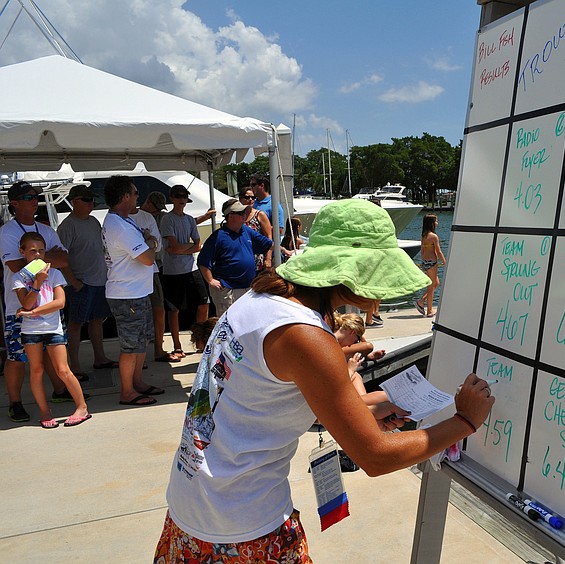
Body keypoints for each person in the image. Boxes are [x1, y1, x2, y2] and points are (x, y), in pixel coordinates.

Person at [155, 199, 494, 561]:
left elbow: (258, 398)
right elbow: (375, 458)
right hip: (242, 527)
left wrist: (360, 415)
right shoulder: (307, 335)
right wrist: (464, 421)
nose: (379, 291)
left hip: (190, 506)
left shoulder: (261, 296)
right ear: (348, 269)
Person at [1, 181, 72, 423]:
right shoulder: (8, 231)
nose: (34, 200)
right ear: (14, 203)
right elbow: (14, 265)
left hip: (49, 306)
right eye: (28, 196)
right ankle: (15, 402)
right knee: (17, 357)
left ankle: (60, 391)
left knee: (52, 354)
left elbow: (63, 260)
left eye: (35, 196)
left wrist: (33, 261)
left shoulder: (46, 229)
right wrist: (47, 260)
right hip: (19, 307)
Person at [13, 232, 91, 428]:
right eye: (32, 251)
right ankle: (45, 411)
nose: (38, 255)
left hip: (53, 328)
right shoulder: (19, 278)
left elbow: (60, 303)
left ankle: (82, 407)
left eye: (41, 250)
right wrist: (38, 282)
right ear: (22, 252)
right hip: (31, 332)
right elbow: (27, 303)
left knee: (63, 370)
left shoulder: (55, 273)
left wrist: (31, 312)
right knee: (37, 370)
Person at [102, 175, 163, 406]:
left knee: (139, 342)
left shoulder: (122, 221)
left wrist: (149, 241)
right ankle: (127, 391)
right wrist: (151, 242)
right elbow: (148, 258)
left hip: (135, 292)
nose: (138, 197)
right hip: (127, 294)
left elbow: (146, 248)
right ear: (125, 196)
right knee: (130, 346)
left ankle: (136, 383)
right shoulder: (119, 225)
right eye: (136, 193)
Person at [57, 184, 118, 379]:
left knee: (97, 320)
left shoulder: (93, 221)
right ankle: (74, 366)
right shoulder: (67, 226)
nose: (91, 203)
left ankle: (99, 357)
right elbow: (61, 259)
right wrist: (74, 282)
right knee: (76, 324)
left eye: (92, 200)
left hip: (99, 281)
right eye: (86, 200)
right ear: (74, 202)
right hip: (81, 282)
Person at [197, 198, 272, 315]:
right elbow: (203, 261)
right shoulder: (218, 237)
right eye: (240, 213)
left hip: (248, 288)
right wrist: (211, 280)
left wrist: (278, 252)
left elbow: (268, 244)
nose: (244, 215)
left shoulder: (246, 231)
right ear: (230, 216)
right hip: (227, 290)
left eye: (244, 212)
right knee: (229, 324)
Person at [159, 184, 209, 357]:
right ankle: (177, 345)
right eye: (178, 196)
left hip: (191, 268)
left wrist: (184, 249)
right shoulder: (167, 219)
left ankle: (200, 341)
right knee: (174, 309)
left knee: (204, 304)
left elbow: (197, 244)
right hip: (173, 272)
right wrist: (191, 248)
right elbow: (173, 246)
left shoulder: (189, 219)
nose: (182, 200)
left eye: (184, 196)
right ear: (172, 198)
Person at [137, 192, 180, 363]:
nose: (156, 212)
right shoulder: (126, 219)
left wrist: (150, 240)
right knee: (139, 314)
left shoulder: (155, 217)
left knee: (159, 308)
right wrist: (149, 240)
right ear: (147, 202)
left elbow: (157, 245)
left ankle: (158, 349)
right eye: (155, 208)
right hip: (136, 270)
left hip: (154, 267)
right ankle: (139, 357)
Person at [333, 312, 387, 406]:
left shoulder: (329, 337)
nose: (355, 343)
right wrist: (350, 370)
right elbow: (333, 388)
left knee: (356, 376)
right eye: (356, 340)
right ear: (353, 332)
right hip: (324, 398)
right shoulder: (330, 344)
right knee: (385, 396)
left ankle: (367, 406)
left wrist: (366, 357)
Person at [415, 213, 446, 318]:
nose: (437, 223)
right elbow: (439, 251)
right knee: (432, 286)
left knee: (435, 283)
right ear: (432, 223)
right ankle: (429, 310)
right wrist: (445, 262)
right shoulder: (434, 236)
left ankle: (421, 301)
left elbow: (423, 250)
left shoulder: (424, 235)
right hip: (432, 263)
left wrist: (424, 262)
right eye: (436, 221)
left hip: (425, 262)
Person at [238, 186, 273, 272]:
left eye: (253, 197)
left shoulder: (260, 215)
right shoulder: (237, 216)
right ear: (240, 199)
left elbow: (269, 238)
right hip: (241, 259)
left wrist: (268, 259)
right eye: (247, 197)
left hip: (258, 260)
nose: (250, 199)